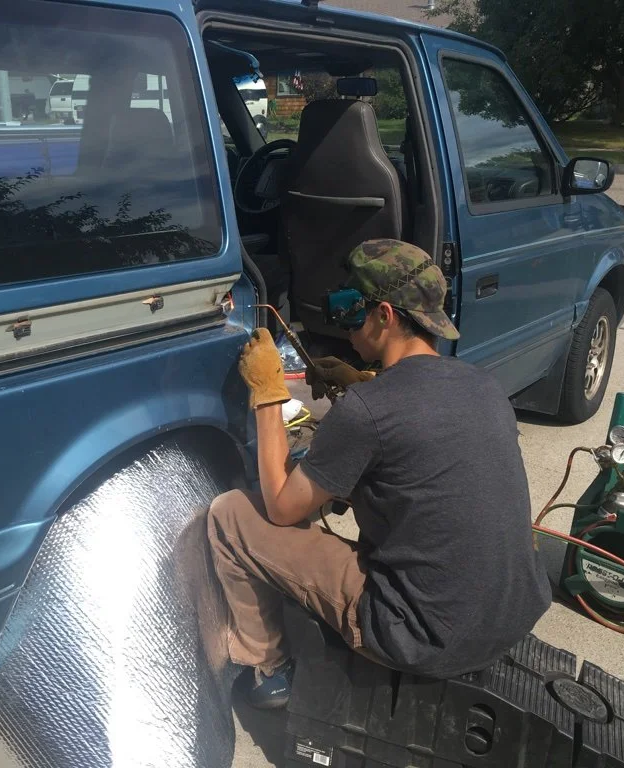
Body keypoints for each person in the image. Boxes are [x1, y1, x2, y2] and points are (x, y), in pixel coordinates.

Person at [206, 238, 552, 709]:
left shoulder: (371, 410)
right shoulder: (483, 385)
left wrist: (268, 395)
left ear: (385, 315)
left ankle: (270, 670)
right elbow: (417, 436)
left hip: (423, 637)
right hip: (513, 615)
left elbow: (283, 509)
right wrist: (359, 386)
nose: (344, 323)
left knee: (231, 515)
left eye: (352, 308)